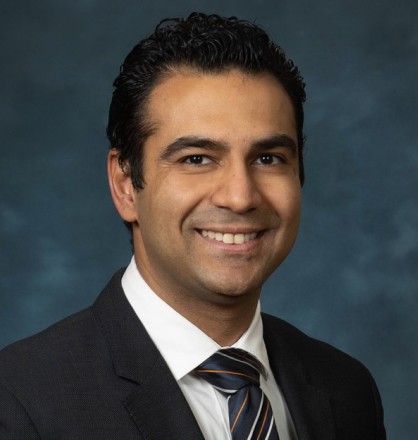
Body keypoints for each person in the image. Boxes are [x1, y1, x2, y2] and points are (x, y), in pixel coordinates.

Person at [0, 12, 385, 439]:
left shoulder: (347, 390)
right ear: (126, 185)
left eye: (268, 158)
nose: (240, 197)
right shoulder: (19, 402)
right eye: (196, 159)